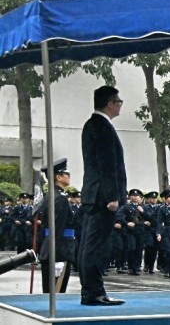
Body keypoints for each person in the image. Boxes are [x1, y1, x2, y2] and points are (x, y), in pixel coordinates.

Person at [79, 85, 128, 306]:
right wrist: (112, 196)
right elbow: (107, 164)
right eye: (119, 102)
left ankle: (90, 290)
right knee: (96, 246)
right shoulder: (102, 127)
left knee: (90, 244)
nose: (120, 106)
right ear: (110, 103)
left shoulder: (93, 124)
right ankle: (94, 292)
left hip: (94, 193)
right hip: (102, 196)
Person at [37, 159, 75, 293]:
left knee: (50, 291)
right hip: (59, 250)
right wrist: (57, 257)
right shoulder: (60, 198)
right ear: (58, 177)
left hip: (51, 248)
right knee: (56, 292)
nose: (69, 177)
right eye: (66, 174)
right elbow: (57, 228)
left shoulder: (51, 195)